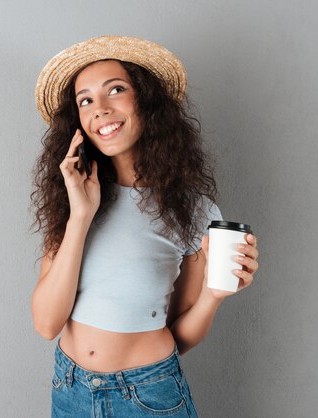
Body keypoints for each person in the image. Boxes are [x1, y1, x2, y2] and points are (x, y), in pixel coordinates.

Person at [30, 36, 260, 417]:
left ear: (147, 102)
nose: (99, 109)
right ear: (77, 122)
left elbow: (177, 336)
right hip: (70, 389)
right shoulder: (69, 201)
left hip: (148, 396)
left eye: (115, 90)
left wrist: (214, 295)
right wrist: (81, 216)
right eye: (85, 100)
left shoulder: (192, 210)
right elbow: (46, 323)